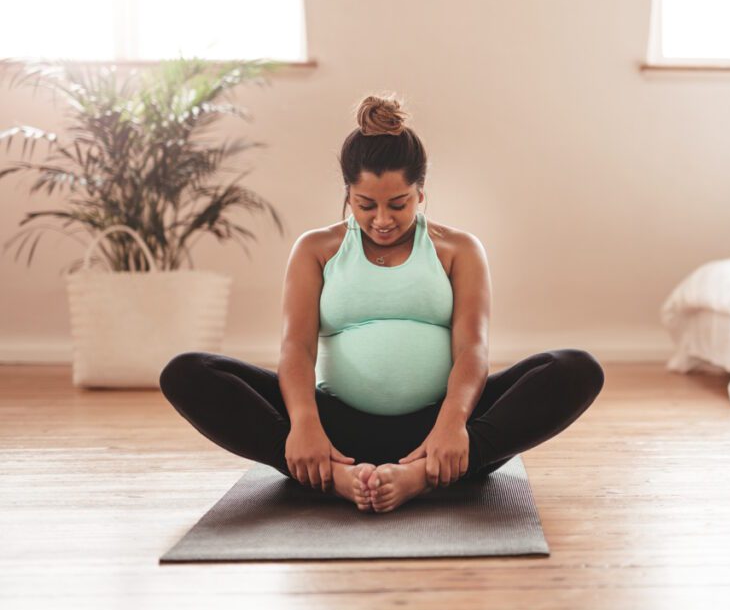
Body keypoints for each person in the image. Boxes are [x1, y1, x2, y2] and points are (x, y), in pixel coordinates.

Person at [159, 92, 604, 514]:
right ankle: (332, 474)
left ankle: (423, 474)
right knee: (188, 373)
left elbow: (472, 349)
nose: (383, 220)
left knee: (575, 368)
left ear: (421, 193)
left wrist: (452, 423)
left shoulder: (459, 249)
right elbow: (296, 348)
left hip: (442, 427)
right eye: (365, 205)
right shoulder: (316, 249)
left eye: (399, 204)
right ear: (347, 195)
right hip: (338, 428)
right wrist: (304, 423)